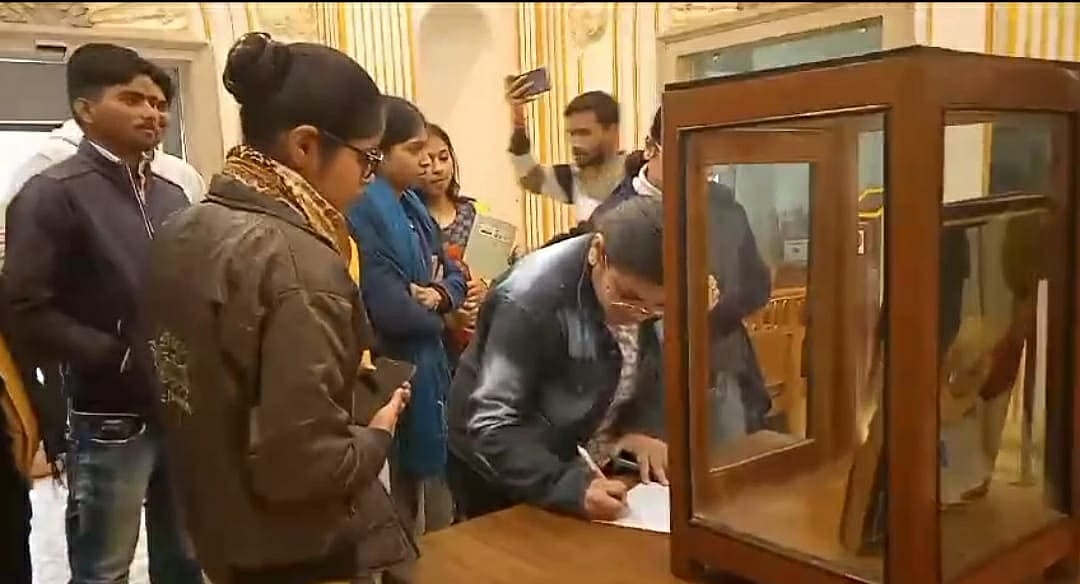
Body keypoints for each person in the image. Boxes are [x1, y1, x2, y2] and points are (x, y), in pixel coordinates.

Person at [144, 32, 416, 584]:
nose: (368, 181)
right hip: (294, 549)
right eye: (366, 160)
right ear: (306, 146)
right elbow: (305, 465)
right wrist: (378, 432)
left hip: (218, 524)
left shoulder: (185, 225)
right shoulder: (297, 263)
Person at [2, 43, 200, 584]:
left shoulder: (172, 195)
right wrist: (118, 357)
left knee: (185, 559)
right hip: (107, 414)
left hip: (180, 407)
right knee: (104, 568)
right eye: (132, 99)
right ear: (86, 109)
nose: (152, 114)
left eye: (159, 104)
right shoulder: (52, 193)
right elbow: (25, 310)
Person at [447, 196, 669, 522]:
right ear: (597, 252)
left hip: (574, 448)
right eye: (628, 297)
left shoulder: (640, 287)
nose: (639, 314)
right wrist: (569, 486)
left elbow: (647, 363)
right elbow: (493, 423)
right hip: (500, 461)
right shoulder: (527, 300)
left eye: (658, 307)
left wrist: (641, 427)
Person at [591, 107, 773, 438]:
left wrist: (714, 305)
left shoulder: (725, 208)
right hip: (643, 394)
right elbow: (595, 314)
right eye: (688, 161)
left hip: (718, 374)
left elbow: (756, 285)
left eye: (708, 165)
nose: (699, 175)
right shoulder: (609, 220)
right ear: (651, 148)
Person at [347, 98, 466, 539]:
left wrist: (438, 294)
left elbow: (454, 273)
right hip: (394, 366)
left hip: (432, 361)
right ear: (380, 152)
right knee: (403, 501)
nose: (425, 160)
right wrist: (446, 318)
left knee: (437, 497)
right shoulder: (365, 209)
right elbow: (392, 311)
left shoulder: (413, 205)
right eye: (414, 149)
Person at [505, 83, 626, 220]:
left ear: (612, 131)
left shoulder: (637, 173)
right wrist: (519, 124)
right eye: (572, 134)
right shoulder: (573, 178)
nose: (575, 143)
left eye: (584, 133)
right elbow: (529, 179)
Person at [419, 123, 487, 363]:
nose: (437, 169)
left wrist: (484, 289)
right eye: (427, 162)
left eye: (443, 158)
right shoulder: (410, 220)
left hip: (479, 341)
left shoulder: (474, 212)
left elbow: (499, 270)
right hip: (435, 343)